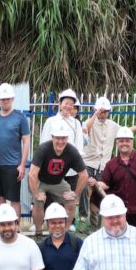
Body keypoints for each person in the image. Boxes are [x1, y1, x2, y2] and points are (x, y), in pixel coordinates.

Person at [81, 97, 136, 223]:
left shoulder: (112, 125)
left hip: (103, 165)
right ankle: (82, 216)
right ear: (95, 110)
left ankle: (95, 218)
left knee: (100, 192)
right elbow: (85, 129)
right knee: (85, 187)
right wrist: (95, 115)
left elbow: (126, 131)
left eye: (105, 111)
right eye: (100, 111)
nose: (103, 113)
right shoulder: (89, 122)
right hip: (88, 162)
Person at [27, 126, 88, 238]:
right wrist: (36, 194)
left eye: (63, 138)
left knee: (71, 201)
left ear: (67, 138)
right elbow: (32, 174)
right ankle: (38, 232)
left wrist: (76, 194)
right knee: (38, 202)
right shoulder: (43, 149)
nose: (60, 141)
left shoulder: (72, 151)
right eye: (57, 138)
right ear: (52, 137)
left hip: (58, 181)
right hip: (41, 180)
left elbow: (84, 175)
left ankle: (64, 234)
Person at [40, 89, 87, 227]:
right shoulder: (51, 121)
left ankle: (69, 221)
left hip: (71, 166)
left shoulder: (76, 123)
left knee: (69, 195)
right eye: (66, 103)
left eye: (71, 104)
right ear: (60, 104)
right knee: (50, 195)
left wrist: (77, 163)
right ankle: (48, 221)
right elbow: (44, 142)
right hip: (53, 165)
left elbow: (78, 145)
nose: (68, 106)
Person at [0, 83, 30, 219]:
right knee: (0, 197)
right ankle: (2, 224)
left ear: (12, 98)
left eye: (7, 98)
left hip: (13, 165)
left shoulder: (20, 117)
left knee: (14, 199)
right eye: (2, 99)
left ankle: (15, 227)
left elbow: (26, 141)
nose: (5, 101)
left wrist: (22, 164)